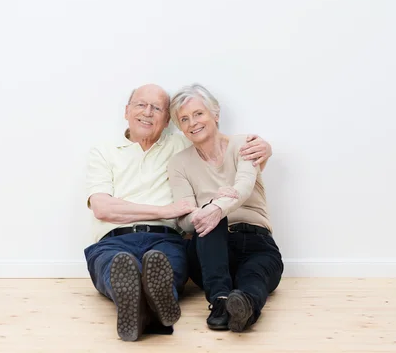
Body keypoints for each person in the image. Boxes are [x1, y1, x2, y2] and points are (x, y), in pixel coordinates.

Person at [83, 84, 273, 341]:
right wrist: (166, 210)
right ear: (127, 111)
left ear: (166, 120)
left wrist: (265, 148)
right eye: (141, 105)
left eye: (157, 108)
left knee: (166, 267)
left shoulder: (182, 142)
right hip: (113, 239)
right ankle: (139, 307)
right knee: (113, 266)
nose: (148, 113)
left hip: (166, 239)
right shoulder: (104, 151)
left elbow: (213, 137)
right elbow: (102, 207)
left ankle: (151, 306)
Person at [167, 84, 284, 333]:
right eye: (184, 119)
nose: (193, 123)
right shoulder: (179, 163)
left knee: (254, 276)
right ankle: (219, 301)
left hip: (256, 242)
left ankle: (246, 306)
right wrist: (209, 209)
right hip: (209, 251)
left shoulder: (245, 144)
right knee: (209, 219)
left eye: (198, 114)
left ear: (215, 114)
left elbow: (243, 185)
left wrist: (219, 205)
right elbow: (185, 220)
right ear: (180, 127)